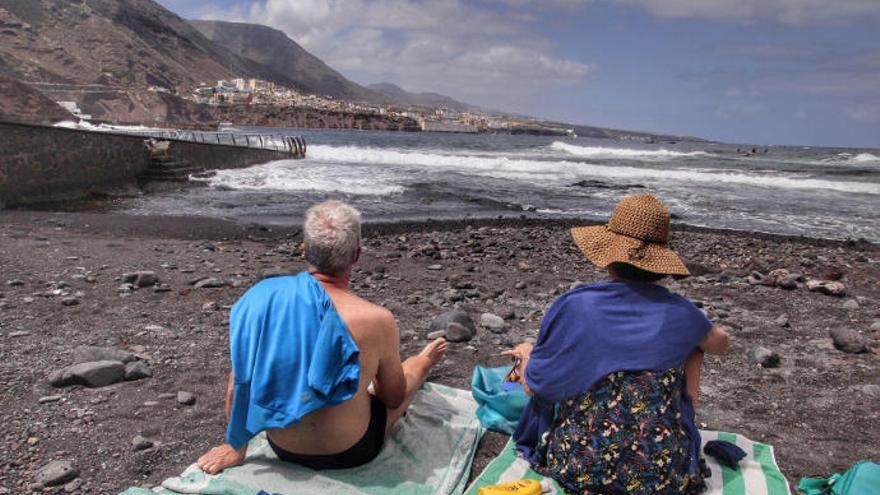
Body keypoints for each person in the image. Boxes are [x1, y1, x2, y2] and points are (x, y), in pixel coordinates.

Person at [197, 200, 447, 474]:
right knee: (411, 370)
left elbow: (238, 385)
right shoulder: (377, 319)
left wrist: (236, 447)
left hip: (282, 445)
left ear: (304, 250)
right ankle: (425, 360)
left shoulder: (259, 298)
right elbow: (393, 398)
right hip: (352, 450)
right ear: (356, 255)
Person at [504, 193, 729, 495]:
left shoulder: (577, 306)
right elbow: (721, 344)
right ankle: (681, 422)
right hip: (663, 474)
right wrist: (691, 331)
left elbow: (538, 387)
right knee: (696, 345)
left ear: (609, 254)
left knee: (548, 364)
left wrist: (526, 354)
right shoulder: (682, 312)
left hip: (581, 466)